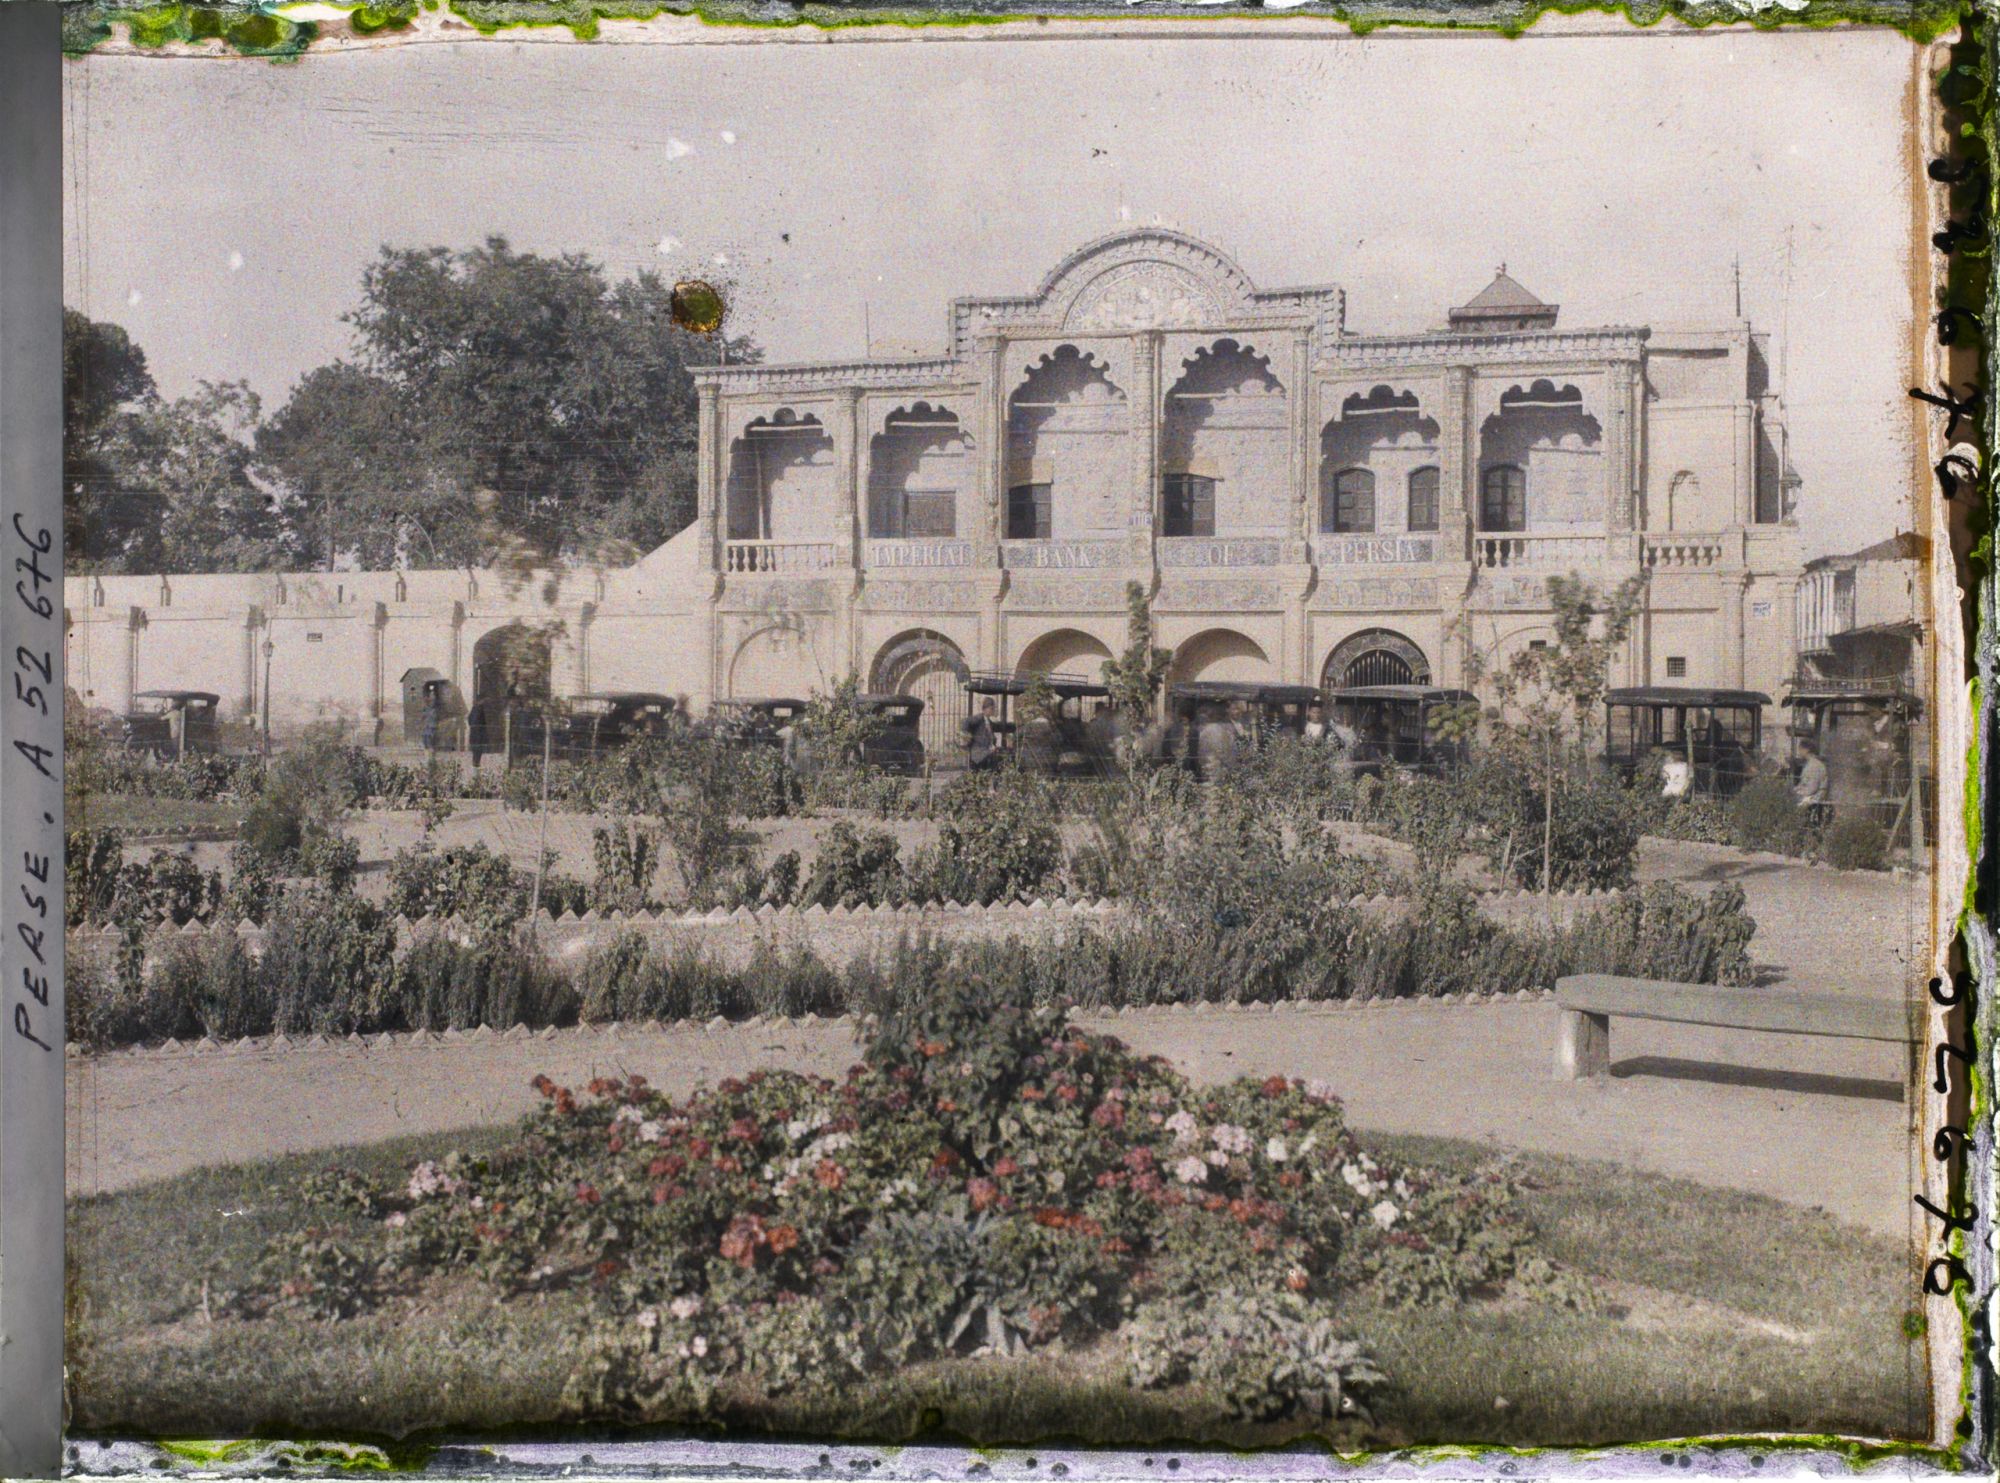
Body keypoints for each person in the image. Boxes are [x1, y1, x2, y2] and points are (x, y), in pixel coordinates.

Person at [1793, 737, 1831, 825]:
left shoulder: (1815, 765)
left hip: (1814, 800)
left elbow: (1812, 788)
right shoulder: (1809, 764)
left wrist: (1798, 793)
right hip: (1809, 798)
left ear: (1807, 750)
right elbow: (1804, 784)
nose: (1799, 751)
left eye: (1800, 749)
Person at [466, 694, 491, 771]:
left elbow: (469, 719)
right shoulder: (479, 709)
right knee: (478, 750)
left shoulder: (474, 708)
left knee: (476, 751)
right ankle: (476, 765)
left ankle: (476, 764)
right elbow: (477, 721)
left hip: (474, 733)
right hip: (478, 734)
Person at [420, 689, 440, 754]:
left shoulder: (435, 706)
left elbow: (435, 715)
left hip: (432, 725)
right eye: (431, 695)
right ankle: (428, 751)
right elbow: (423, 715)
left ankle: (431, 750)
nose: (432, 697)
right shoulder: (427, 706)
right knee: (425, 738)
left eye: (433, 695)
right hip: (427, 725)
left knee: (430, 738)